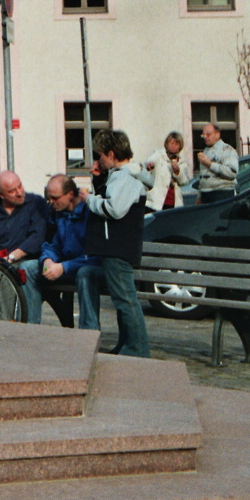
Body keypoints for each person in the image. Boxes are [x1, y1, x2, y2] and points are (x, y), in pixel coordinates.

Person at [85, 129, 150, 357]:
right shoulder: (121, 175)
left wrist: (88, 199)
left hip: (118, 246)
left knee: (125, 300)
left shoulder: (125, 176)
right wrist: (98, 179)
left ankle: (137, 348)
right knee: (123, 299)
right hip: (117, 246)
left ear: (111, 154)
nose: (99, 160)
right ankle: (127, 343)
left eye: (101, 155)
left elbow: (113, 209)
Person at [0, 170, 53, 323]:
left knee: (7, 272)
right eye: (12, 191)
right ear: (1, 194)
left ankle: (21, 325)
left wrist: (11, 258)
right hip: (3, 261)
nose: (19, 192)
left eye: (20, 186)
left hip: (32, 258)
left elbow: (37, 237)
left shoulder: (36, 203)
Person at [38, 173, 102, 331]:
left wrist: (64, 267)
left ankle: (88, 335)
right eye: (49, 198)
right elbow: (53, 244)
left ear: (70, 195)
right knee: (29, 268)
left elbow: (96, 255)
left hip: (91, 268)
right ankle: (30, 327)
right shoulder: (59, 213)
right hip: (65, 268)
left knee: (85, 274)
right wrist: (48, 260)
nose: (51, 203)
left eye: (55, 198)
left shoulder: (90, 213)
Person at [144, 131, 191, 212]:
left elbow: (184, 182)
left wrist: (177, 172)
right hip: (156, 202)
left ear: (180, 146)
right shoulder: (159, 155)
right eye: (171, 143)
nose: (173, 145)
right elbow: (150, 161)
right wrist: (149, 165)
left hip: (173, 202)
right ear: (166, 144)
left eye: (176, 144)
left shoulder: (182, 162)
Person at [191, 123, 239, 199]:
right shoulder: (205, 151)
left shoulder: (227, 150)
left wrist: (210, 164)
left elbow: (231, 173)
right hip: (205, 193)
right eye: (203, 135)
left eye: (208, 134)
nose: (205, 137)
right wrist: (199, 196)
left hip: (222, 192)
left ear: (217, 135)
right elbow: (203, 176)